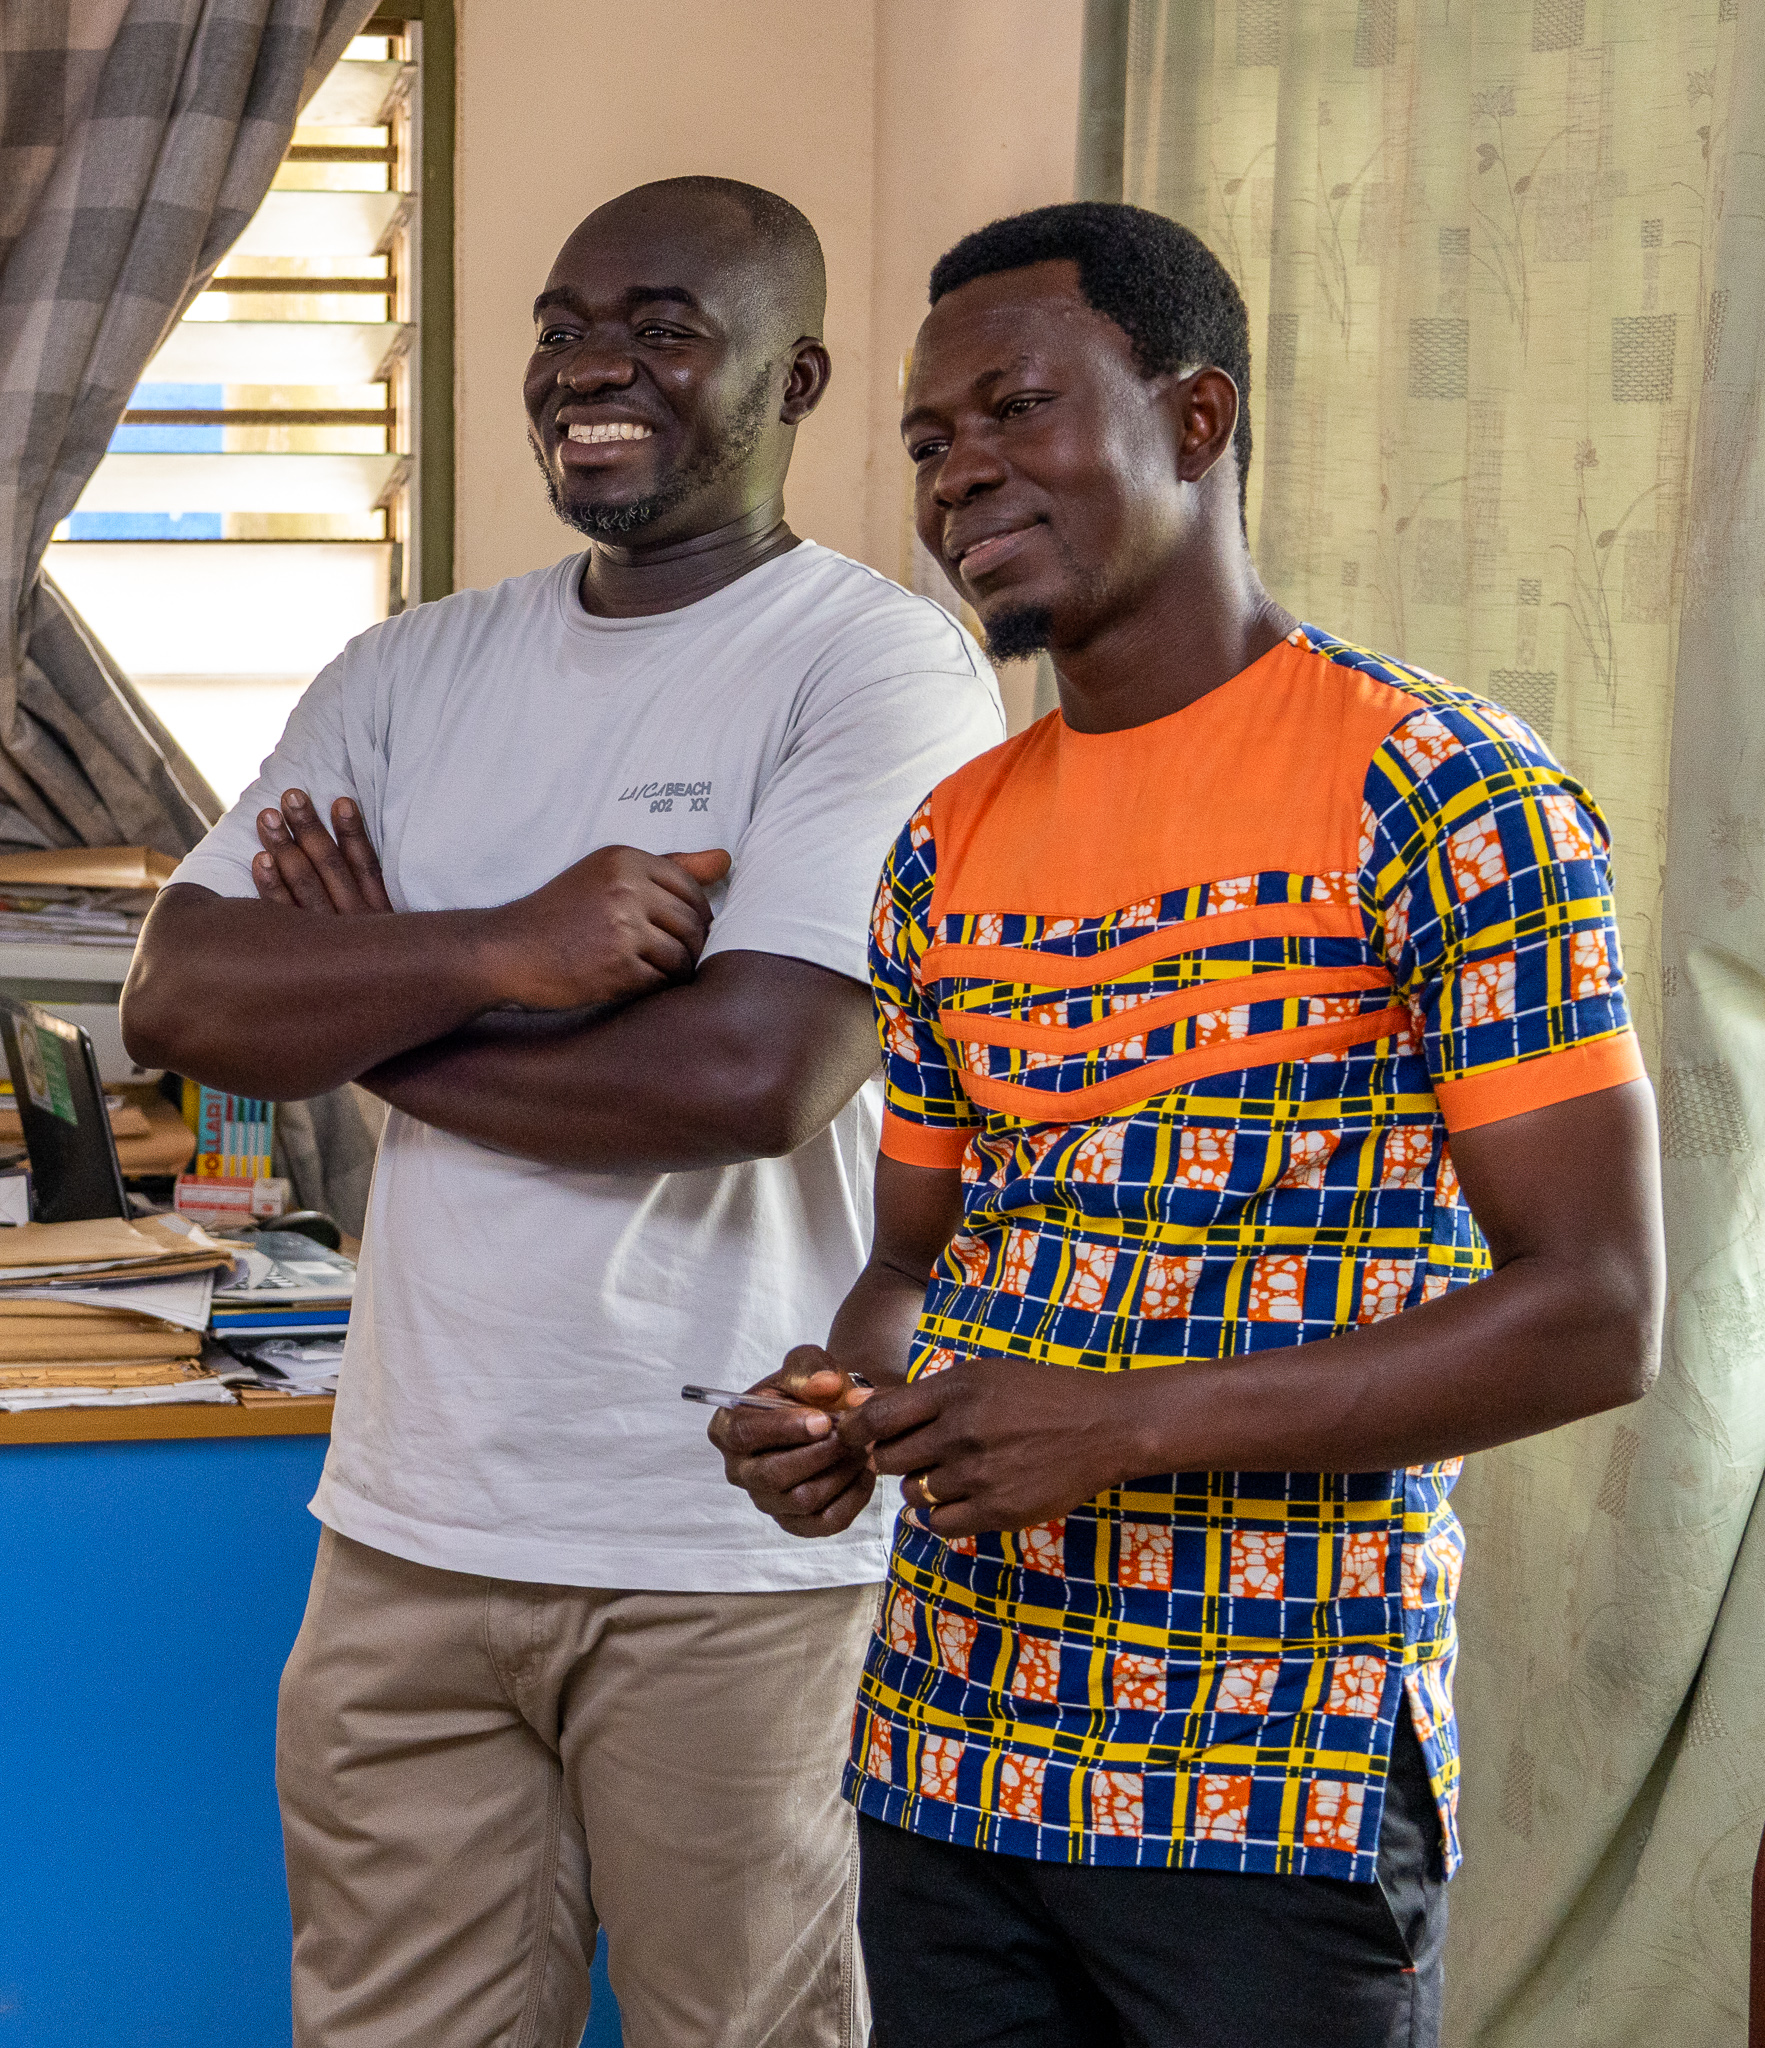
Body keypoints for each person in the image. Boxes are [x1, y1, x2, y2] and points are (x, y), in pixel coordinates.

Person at [713, 201, 1666, 2048]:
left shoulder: (1443, 791)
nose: (960, 473)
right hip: (948, 1756)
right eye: (927, 442)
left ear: (1197, 416)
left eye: (1014, 410)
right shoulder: (949, 840)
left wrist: (1124, 1426)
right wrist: (834, 1402)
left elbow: (1598, 1309)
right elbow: (912, 1269)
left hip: (1262, 1774)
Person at [122, 175, 1002, 2048]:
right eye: (557, 323)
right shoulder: (407, 668)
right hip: (412, 1525)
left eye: (665, 325)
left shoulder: (880, 669)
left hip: (727, 1548)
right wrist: (515, 945)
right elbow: (182, 993)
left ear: (797, 375)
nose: (589, 365)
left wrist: (367, 1004)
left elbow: (750, 1076)